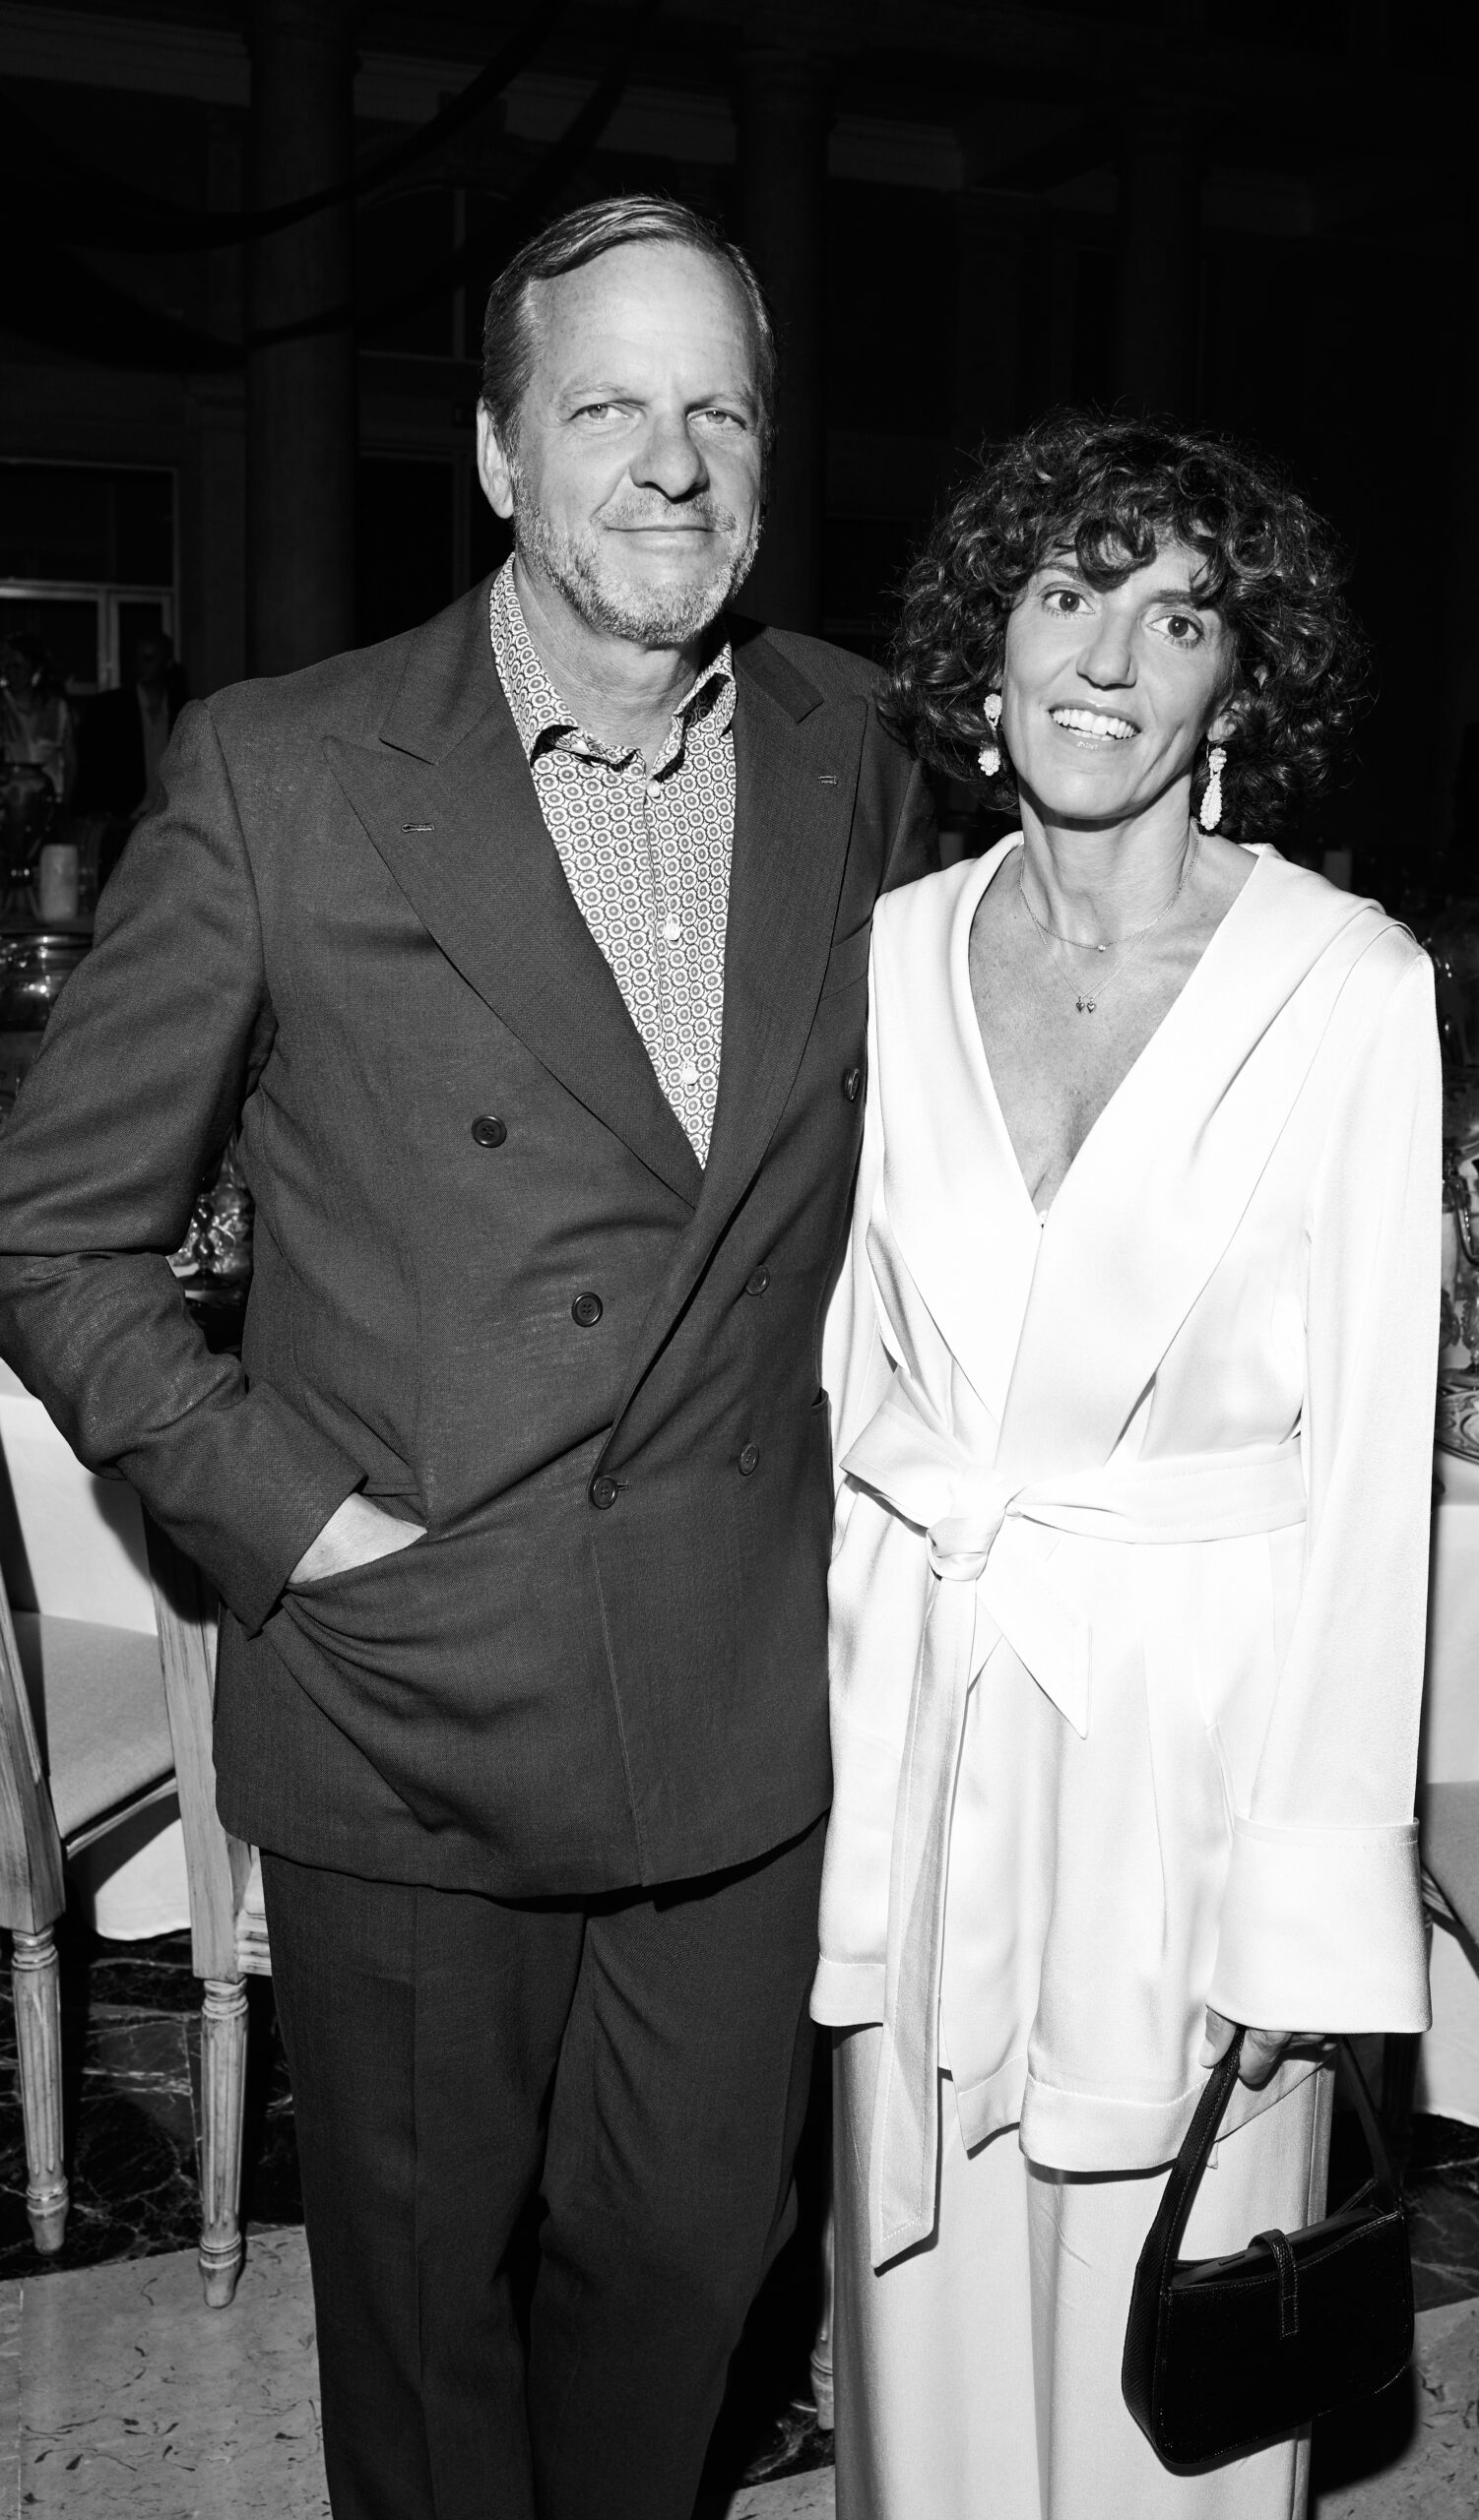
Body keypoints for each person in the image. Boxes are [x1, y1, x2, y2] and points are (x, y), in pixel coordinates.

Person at [0, 195, 933, 2520]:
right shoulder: (285, 767)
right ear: (504, 455)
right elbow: (55, 1226)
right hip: (409, 1686)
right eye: (606, 406)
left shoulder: (860, 747)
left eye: (717, 408)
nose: (670, 460)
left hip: (738, 1683)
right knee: (426, 2326)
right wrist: (292, 1521)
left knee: (694, 2262)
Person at [814, 413, 1440, 2519]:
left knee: (1164, 2383)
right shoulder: (896, 956)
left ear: (1235, 690)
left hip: (1186, 1781)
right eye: (1064, 594)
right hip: (928, 1753)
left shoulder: (1343, 988)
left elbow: (1369, 1494)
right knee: (922, 2363)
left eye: (1175, 619)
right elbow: (841, 1384)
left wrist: (1304, 1921)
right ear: (983, 648)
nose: (1103, 656)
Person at [76, 626, 190, 852]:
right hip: (122, 823)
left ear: (167, 663)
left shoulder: (184, 709)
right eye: (137, 658)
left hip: (171, 826)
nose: (140, 665)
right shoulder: (109, 708)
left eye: (149, 658)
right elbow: (91, 767)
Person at [0, 630, 77, 801]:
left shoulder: (57, 708)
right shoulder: (3, 707)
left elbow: (70, 761)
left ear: (35, 669)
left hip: (50, 799)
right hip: (12, 800)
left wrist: (65, 803)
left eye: (17, 666)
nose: (11, 673)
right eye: (7, 666)